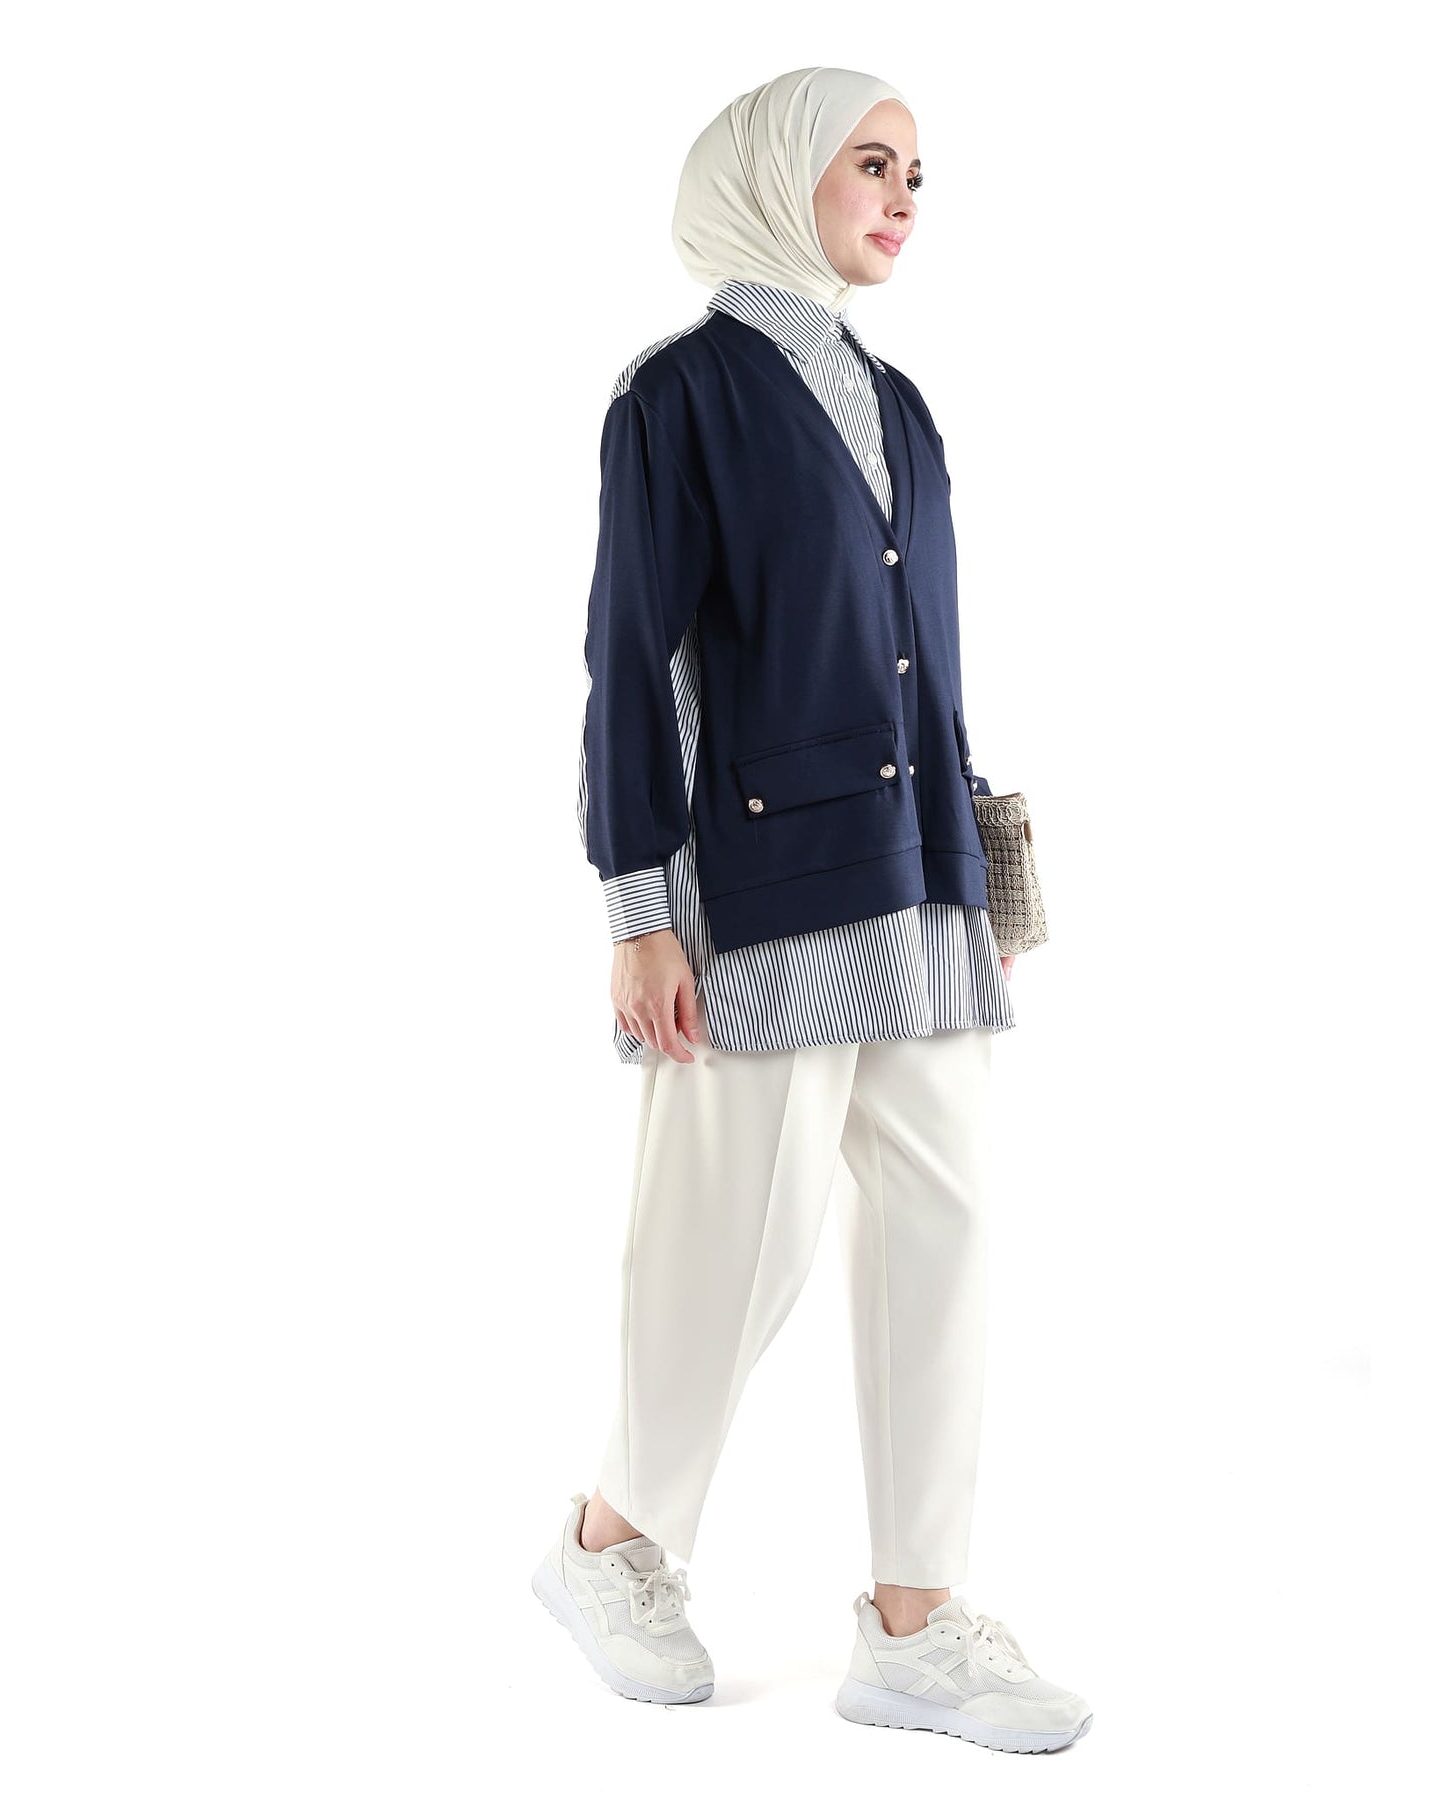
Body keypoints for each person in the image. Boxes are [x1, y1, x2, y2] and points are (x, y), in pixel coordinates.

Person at [530, 66, 1092, 1755]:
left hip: (916, 888)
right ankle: (608, 1548)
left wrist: (976, 866)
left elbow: (929, 664)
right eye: (873, 164)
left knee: (945, 1236)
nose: (906, 197)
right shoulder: (680, 395)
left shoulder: (901, 404)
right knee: (734, 1240)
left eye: (918, 172)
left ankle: (914, 1624)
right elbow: (635, 659)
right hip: (765, 891)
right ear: (781, 176)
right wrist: (639, 905)